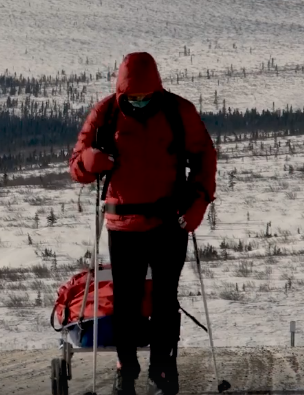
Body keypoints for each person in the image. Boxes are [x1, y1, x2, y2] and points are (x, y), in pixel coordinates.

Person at [69, 52, 217, 395]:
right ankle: (126, 370)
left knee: (166, 298)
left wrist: (199, 202)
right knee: (127, 300)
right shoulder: (105, 113)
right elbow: (76, 166)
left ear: (157, 90)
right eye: (133, 98)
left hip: (171, 221)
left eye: (146, 97)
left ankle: (163, 369)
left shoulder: (179, 111)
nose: (139, 102)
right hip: (123, 225)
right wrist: (90, 160)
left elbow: (204, 156)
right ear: (121, 91)